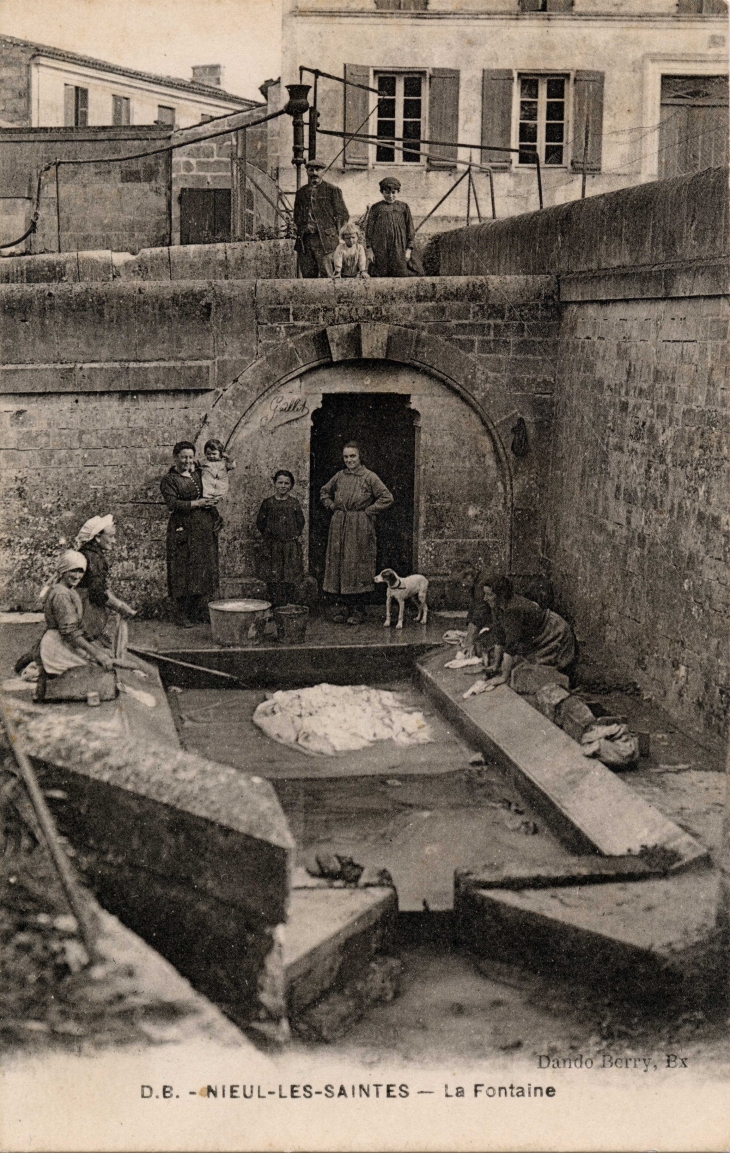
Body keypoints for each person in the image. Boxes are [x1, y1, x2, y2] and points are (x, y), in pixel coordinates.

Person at [320, 442, 393, 626]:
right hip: (339, 524)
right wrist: (330, 505)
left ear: (360, 457)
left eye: (353, 456)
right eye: (346, 457)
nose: (349, 460)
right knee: (340, 566)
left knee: (357, 565)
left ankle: (358, 610)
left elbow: (387, 497)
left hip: (359, 525)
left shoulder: (369, 476)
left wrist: (369, 511)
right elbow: (324, 492)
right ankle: (343, 609)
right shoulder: (339, 476)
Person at [36, 550, 118, 698]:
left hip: (65, 642)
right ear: (63, 570)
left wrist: (96, 645)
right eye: (73, 571)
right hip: (57, 646)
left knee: (101, 663)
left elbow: (76, 628)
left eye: (81, 572)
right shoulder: (61, 594)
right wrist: (97, 653)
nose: (78, 576)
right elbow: (70, 632)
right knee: (98, 667)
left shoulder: (70, 591)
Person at [475, 575, 576, 689]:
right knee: (519, 664)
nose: (485, 598)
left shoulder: (513, 610)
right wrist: (495, 665)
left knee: (538, 670)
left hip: (553, 633)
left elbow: (511, 645)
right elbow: (500, 637)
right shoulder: (497, 607)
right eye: (485, 594)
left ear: (501, 596)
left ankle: (564, 682)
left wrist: (503, 677)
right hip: (536, 634)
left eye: (489, 595)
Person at [160, 441, 220, 628]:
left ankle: (197, 611)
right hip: (183, 529)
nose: (187, 461)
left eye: (190, 457)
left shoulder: (198, 474)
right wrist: (197, 504)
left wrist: (212, 504)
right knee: (182, 570)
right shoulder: (169, 480)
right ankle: (181, 614)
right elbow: (173, 504)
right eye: (183, 457)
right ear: (176, 457)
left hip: (203, 527)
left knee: (201, 569)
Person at [74, 514, 137, 646]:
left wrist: (119, 604)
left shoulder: (88, 553)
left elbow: (101, 586)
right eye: (110, 536)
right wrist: (120, 607)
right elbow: (97, 592)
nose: (114, 541)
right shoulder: (94, 558)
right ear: (97, 537)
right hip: (86, 608)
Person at [256, 470, 306, 607]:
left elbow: (300, 522)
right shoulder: (268, 503)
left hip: (289, 546)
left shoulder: (294, 503)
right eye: (280, 482)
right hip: (272, 546)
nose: (283, 486)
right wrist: (270, 536)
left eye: (286, 483)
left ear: (291, 486)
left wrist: (292, 536)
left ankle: (287, 605)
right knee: (273, 576)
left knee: (289, 576)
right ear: (274, 483)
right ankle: (274, 606)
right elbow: (260, 522)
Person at [293, 160, 349, 279]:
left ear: (323, 172)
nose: (314, 173)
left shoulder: (332, 190)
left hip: (325, 242)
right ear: (307, 172)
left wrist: (334, 234)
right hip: (305, 241)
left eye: (317, 170)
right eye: (311, 170)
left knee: (328, 276)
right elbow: (296, 216)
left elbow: (343, 215)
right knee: (308, 278)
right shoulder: (301, 193)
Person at [365, 177, 416, 278]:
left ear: (398, 192)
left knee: (400, 274)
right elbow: (369, 230)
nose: (391, 196)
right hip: (380, 247)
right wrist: (369, 250)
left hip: (399, 248)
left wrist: (409, 249)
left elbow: (410, 229)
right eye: (387, 192)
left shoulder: (403, 207)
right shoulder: (376, 208)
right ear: (382, 192)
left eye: (393, 192)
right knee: (380, 274)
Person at [200, 439, 236, 534]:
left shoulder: (223, 464)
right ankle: (216, 519)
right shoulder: (204, 463)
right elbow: (196, 465)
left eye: (214, 454)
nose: (211, 456)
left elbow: (232, 465)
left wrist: (227, 457)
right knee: (208, 504)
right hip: (208, 489)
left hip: (219, 488)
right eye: (208, 454)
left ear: (220, 454)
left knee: (212, 504)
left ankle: (217, 519)